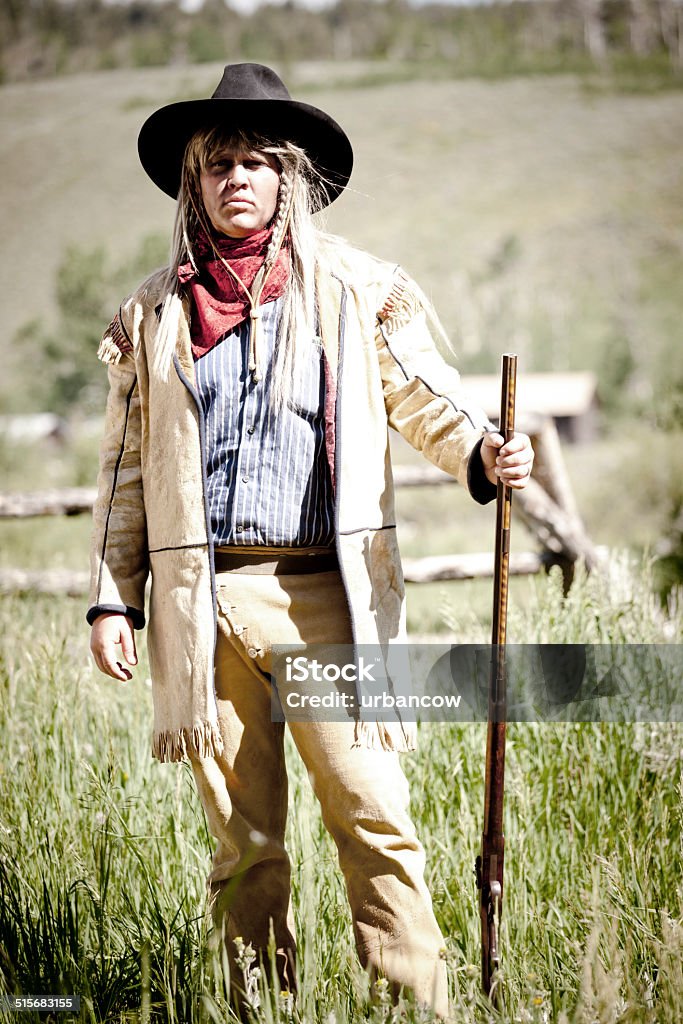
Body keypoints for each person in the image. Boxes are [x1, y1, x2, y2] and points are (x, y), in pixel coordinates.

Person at [87, 63, 534, 1017]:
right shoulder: (155, 313)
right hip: (200, 609)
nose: (237, 180)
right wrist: (109, 599)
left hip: (323, 598)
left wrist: (484, 450)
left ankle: (415, 1004)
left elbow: (423, 395)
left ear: (289, 178)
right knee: (243, 846)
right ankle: (260, 1007)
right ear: (194, 185)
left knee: (372, 815)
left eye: (255, 163)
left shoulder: (351, 290)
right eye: (218, 167)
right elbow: (126, 473)